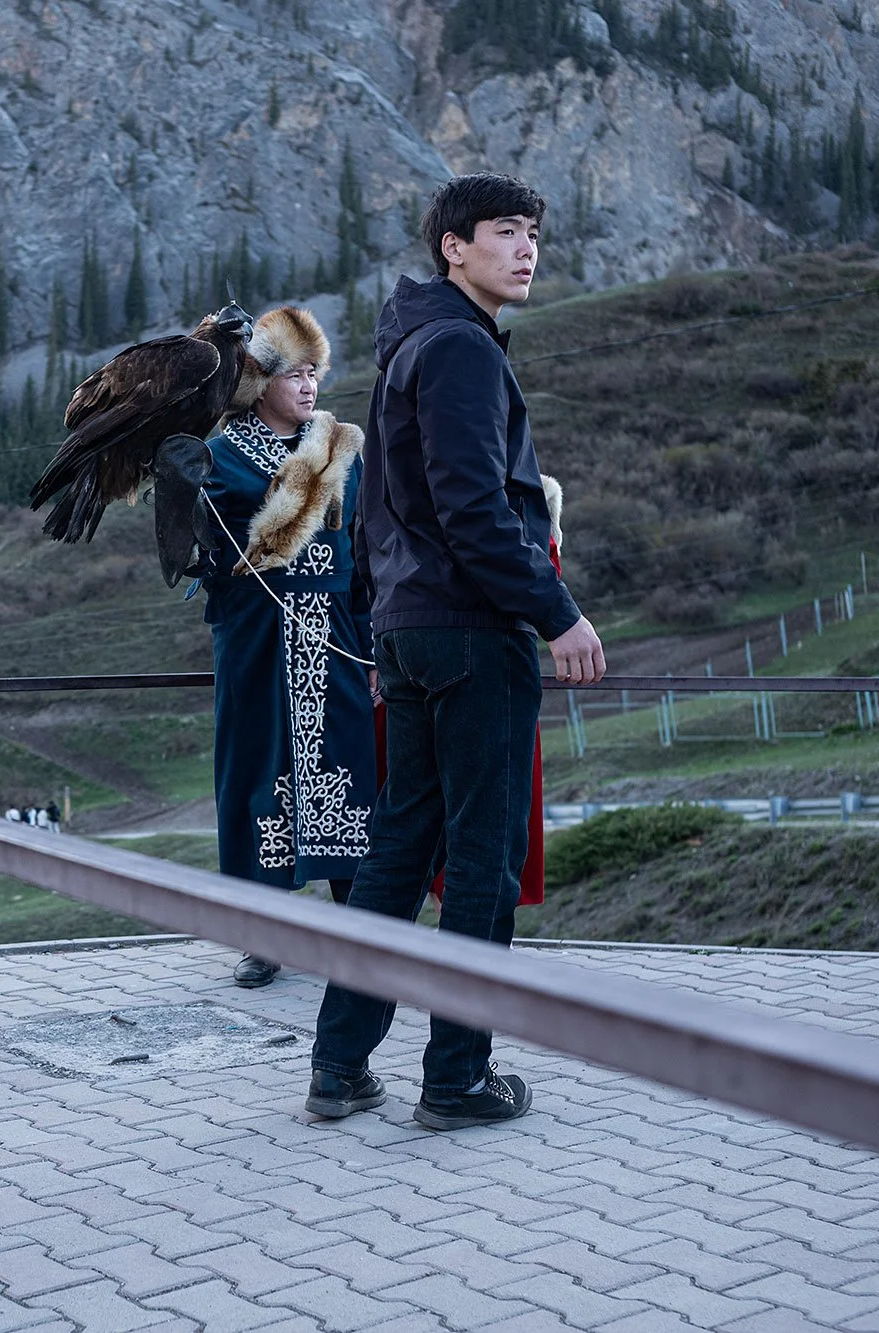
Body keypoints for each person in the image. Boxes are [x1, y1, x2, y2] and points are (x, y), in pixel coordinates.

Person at [309, 173, 605, 1131]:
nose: (526, 249)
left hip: (409, 630)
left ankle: (337, 1066)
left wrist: (377, 624)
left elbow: (373, 510)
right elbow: (475, 511)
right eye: (505, 231)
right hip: (472, 632)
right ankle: (456, 1079)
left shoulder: (409, 348)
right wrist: (557, 614)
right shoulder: (462, 350)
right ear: (454, 246)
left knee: (400, 848)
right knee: (481, 854)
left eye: (533, 233)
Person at [197, 306, 376, 988]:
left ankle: (359, 933)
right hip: (256, 639)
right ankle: (261, 937)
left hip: (334, 638)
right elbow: (203, 555)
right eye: (294, 373)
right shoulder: (217, 457)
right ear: (259, 381)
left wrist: (371, 644)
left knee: (346, 769)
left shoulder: (338, 448)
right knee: (254, 773)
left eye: (314, 373)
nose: (308, 385)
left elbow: (363, 554)